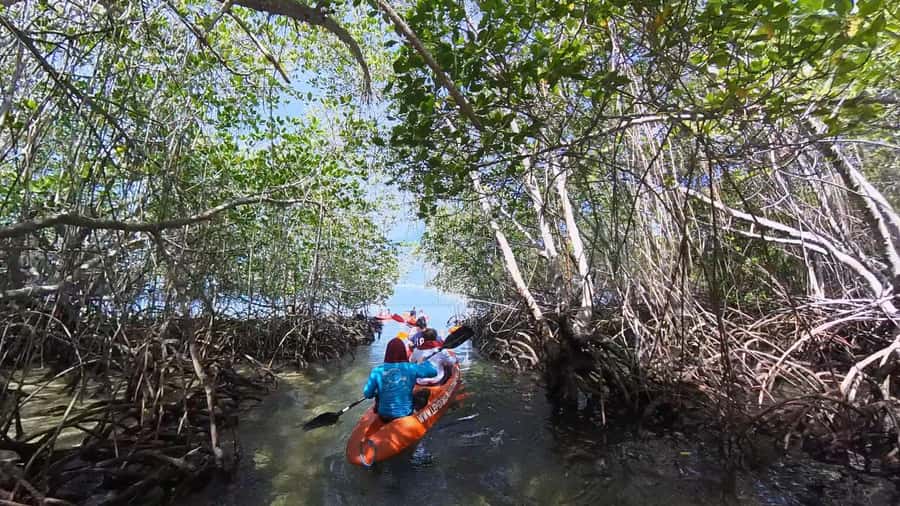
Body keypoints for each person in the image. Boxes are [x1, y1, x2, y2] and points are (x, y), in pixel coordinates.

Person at [363, 337, 437, 421]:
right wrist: (425, 362)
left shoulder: (377, 370)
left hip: (383, 416)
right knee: (425, 392)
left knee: (378, 394)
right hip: (405, 414)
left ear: (387, 353)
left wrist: (376, 392)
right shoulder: (411, 368)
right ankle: (416, 413)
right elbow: (434, 372)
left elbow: (367, 394)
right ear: (403, 352)